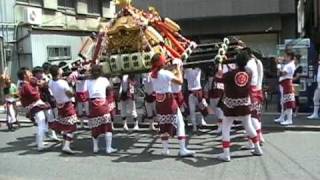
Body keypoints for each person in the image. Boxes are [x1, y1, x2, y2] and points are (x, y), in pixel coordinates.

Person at [218, 52, 263, 162]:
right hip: (244, 103)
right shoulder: (249, 72)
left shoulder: (230, 74)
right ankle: (257, 148)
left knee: (226, 127)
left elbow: (218, 78)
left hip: (230, 104)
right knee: (248, 126)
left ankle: (226, 154)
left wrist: (219, 64)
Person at [151, 53, 195, 157]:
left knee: (163, 124)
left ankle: (165, 149)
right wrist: (178, 69)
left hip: (159, 101)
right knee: (180, 123)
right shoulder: (166, 73)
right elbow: (180, 81)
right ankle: (182, 149)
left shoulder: (152, 74)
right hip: (169, 99)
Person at [18, 67, 52, 151]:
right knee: (41, 121)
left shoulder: (27, 83)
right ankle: (40, 145)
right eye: (29, 73)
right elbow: (35, 95)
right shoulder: (26, 85)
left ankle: (39, 141)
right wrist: (37, 87)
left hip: (35, 105)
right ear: (24, 75)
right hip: (34, 105)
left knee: (41, 122)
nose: (30, 74)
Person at [86, 65, 117, 154]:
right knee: (108, 127)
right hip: (103, 104)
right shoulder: (104, 80)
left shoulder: (88, 81)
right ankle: (108, 148)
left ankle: (95, 148)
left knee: (95, 127)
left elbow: (87, 91)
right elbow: (109, 89)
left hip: (92, 104)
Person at [48, 65, 78, 154]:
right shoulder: (62, 82)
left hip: (59, 104)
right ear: (58, 72)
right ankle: (66, 145)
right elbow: (69, 94)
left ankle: (65, 143)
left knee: (65, 126)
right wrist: (72, 88)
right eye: (60, 69)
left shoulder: (50, 82)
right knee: (72, 126)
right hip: (67, 105)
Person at [274, 50, 296, 125]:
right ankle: (282, 117)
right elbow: (279, 74)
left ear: (289, 57)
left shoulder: (290, 65)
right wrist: (279, 64)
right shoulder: (287, 64)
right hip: (283, 84)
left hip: (287, 84)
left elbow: (282, 73)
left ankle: (289, 119)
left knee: (288, 101)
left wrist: (279, 65)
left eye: (285, 56)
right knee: (283, 102)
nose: (284, 57)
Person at [184, 67, 209, 132]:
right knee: (193, 110)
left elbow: (185, 78)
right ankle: (195, 126)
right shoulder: (191, 70)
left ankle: (200, 122)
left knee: (201, 107)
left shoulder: (198, 69)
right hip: (192, 93)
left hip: (198, 91)